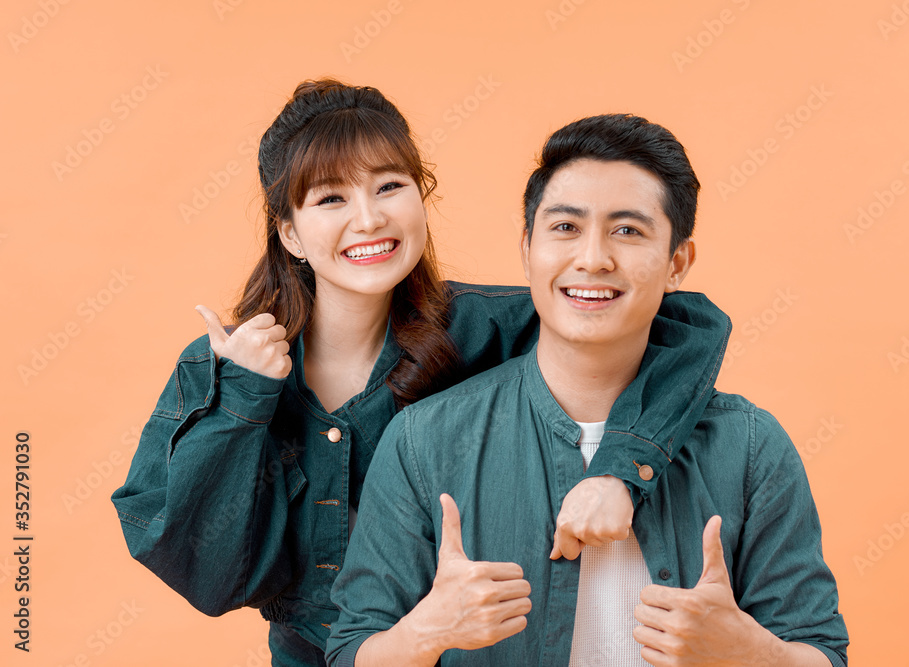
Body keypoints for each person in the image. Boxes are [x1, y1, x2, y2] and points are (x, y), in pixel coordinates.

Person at [110, 81, 732, 666]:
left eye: (389, 187)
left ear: (421, 196)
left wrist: (624, 472)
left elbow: (683, 322)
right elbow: (203, 572)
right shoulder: (226, 369)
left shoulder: (486, 330)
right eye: (330, 198)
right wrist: (244, 401)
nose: (370, 219)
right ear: (290, 233)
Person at [326, 113, 849, 666]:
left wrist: (751, 653)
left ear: (678, 263)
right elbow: (350, 653)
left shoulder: (748, 447)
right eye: (566, 228)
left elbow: (821, 652)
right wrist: (425, 633)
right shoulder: (423, 442)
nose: (593, 258)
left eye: (628, 230)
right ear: (527, 247)